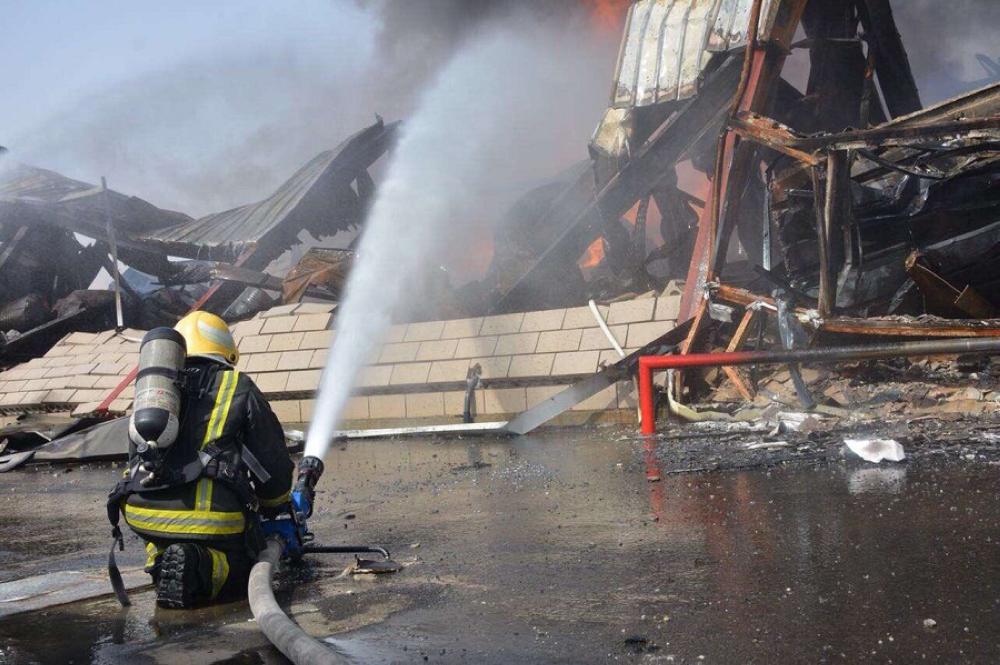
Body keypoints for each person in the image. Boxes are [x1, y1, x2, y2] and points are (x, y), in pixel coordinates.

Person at [110, 311, 294, 608]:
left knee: (165, 539)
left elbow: (136, 455)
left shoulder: (155, 390)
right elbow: (270, 460)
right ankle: (203, 568)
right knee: (245, 563)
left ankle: (160, 561)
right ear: (226, 351)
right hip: (209, 517)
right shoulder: (236, 385)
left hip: (141, 511)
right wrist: (275, 502)